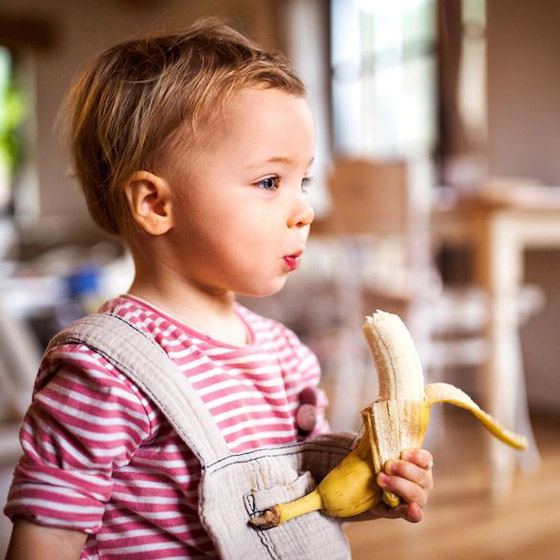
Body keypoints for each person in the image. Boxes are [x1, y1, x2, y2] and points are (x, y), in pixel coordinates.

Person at [4, 19, 434, 559]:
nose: (304, 210)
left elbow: (302, 505)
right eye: (269, 182)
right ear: (156, 204)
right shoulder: (103, 372)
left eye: (302, 181)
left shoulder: (287, 357)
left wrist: (376, 491)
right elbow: (48, 537)